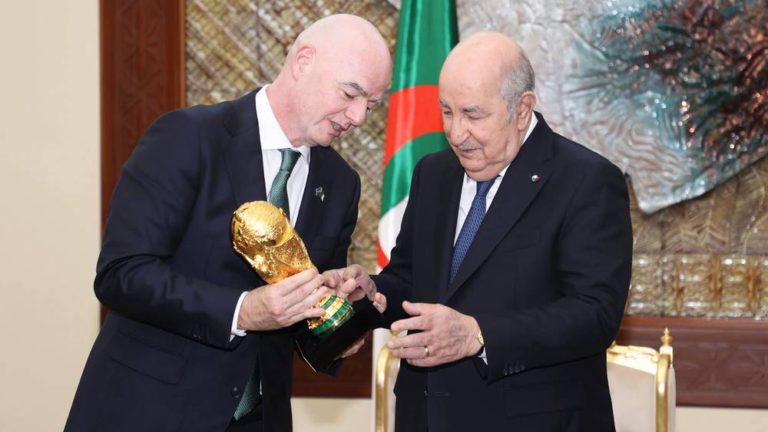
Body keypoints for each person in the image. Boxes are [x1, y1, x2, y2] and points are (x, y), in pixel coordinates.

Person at [65, 14, 391, 432]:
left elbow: (302, 327)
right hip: (148, 412)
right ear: (303, 62)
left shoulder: (341, 183)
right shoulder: (188, 137)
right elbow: (121, 274)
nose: (359, 116)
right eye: (350, 93)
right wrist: (243, 311)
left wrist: (341, 315)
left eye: (372, 105)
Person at [327, 32, 633, 431]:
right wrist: (373, 294)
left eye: (473, 115)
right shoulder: (434, 173)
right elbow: (411, 281)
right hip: (425, 418)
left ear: (522, 109)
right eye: (447, 112)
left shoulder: (585, 180)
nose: (456, 133)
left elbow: (595, 314)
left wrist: (478, 335)